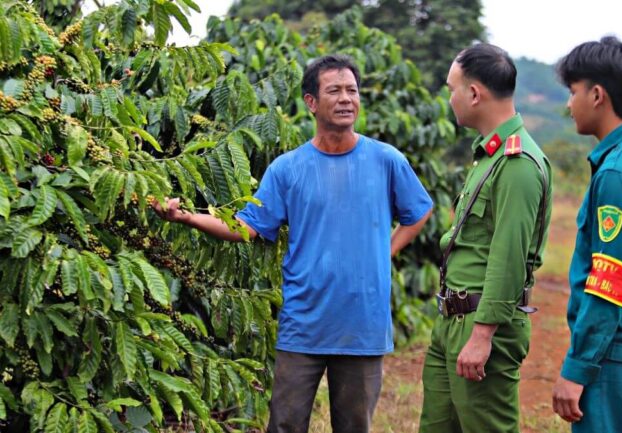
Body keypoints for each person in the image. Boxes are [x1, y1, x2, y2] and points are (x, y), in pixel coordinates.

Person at [153, 55, 433, 433]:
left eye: (352, 90)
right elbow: (246, 228)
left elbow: (418, 212)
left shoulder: (386, 160)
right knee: (285, 423)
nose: (346, 98)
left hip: (361, 323)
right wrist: (187, 216)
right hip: (304, 324)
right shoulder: (288, 169)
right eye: (334, 90)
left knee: (354, 426)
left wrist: (385, 251)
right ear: (311, 102)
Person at [418, 43, 552, 433]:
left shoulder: (517, 164)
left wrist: (482, 335)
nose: (450, 98)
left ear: (474, 94)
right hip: (454, 318)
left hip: (481, 323)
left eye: (451, 89)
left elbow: (508, 257)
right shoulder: (489, 156)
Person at [552, 37, 622, 433]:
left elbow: (611, 283)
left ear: (597, 95)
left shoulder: (617, 175)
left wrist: (577, 369)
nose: (568, 104)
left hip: (618, 357)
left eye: (573, 92)